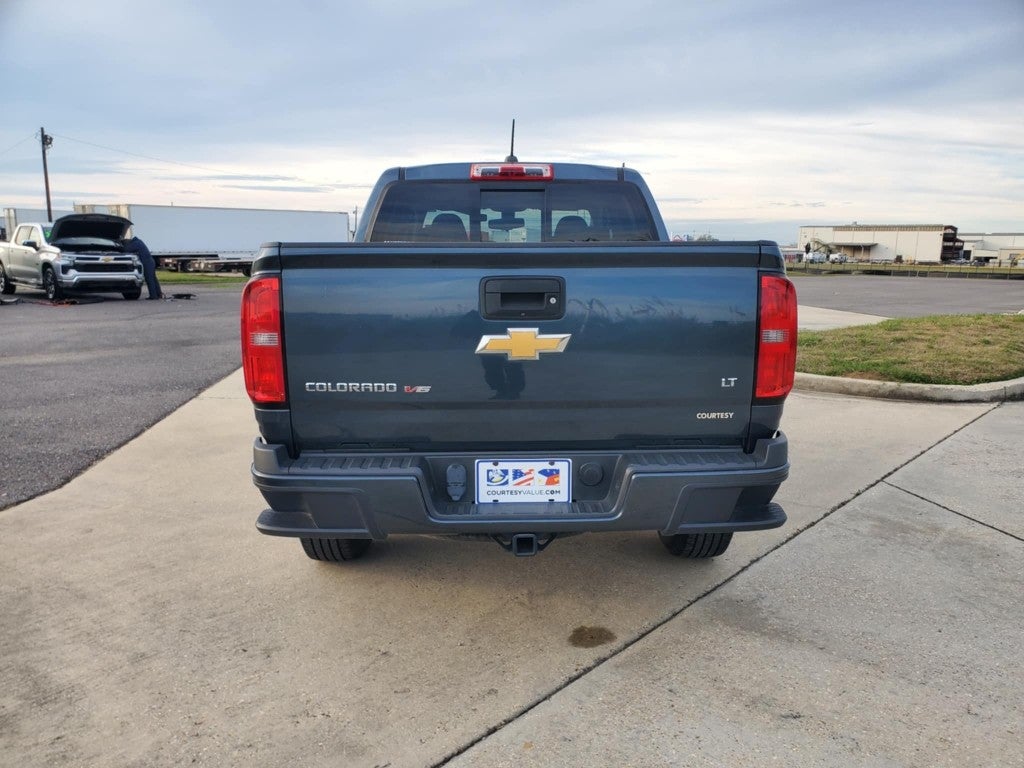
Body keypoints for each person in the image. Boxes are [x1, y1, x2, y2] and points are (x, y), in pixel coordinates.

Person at [122, 229, 163, 299]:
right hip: (151, 261)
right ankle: (159, 294)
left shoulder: (135, 244)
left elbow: (126, 250)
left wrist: (120, 247)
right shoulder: (139, 242)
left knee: (149, 280)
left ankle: (153, 296)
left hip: (147, 263)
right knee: (154, 279)